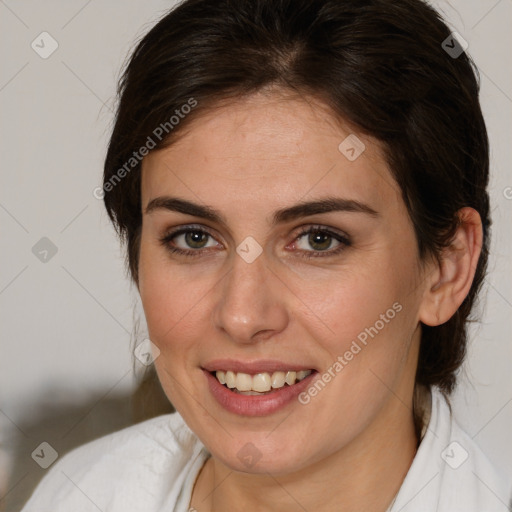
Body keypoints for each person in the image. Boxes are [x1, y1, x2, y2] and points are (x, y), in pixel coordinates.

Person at [21, 0, 512, 510]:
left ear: (446, 269)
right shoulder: (80, 493)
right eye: (193, 238)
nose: (242, 315)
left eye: (319, 239)